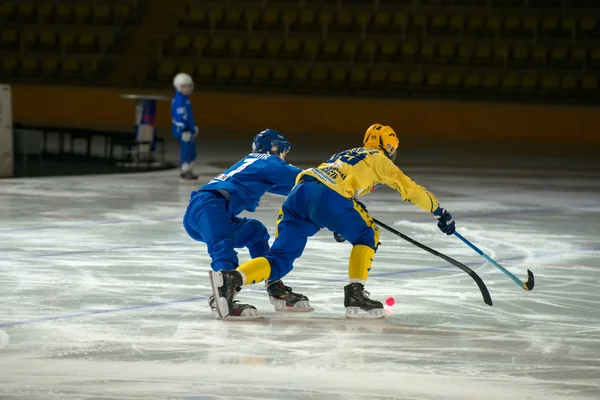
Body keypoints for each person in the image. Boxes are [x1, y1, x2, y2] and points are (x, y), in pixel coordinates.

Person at [209, 124, 456, 319]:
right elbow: (410, 189)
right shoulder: (380, 160)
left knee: (280, 258)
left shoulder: (345, 153)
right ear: (389, 147)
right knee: (368, 234)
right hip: (328, 197)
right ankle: (355, 295)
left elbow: (330, 182)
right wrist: (439, 212)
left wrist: (339, 217)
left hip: (299, 195)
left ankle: (233, 279)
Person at [183, 129, 313, 319]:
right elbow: (306, 179)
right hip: (210, 206)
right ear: (277, 149)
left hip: (203, 210)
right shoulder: (269, 161)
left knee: (255, 231)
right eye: (284, 153)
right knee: (223, 246)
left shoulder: (254, 162)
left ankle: (274, 284)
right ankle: (222, 298)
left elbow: (293, 187)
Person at [171, 73, 199, 183]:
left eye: (189, 85)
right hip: (183, 131)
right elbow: (179, 117)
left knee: (191, 150)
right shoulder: (180, 99)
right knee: (186, 150)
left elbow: (188, 116)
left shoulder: (185, 98)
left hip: (188, 130)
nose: (188, 88)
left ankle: (188, 170)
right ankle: (185, 171)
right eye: (185, 86)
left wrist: (192, 128)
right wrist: (183, 130)